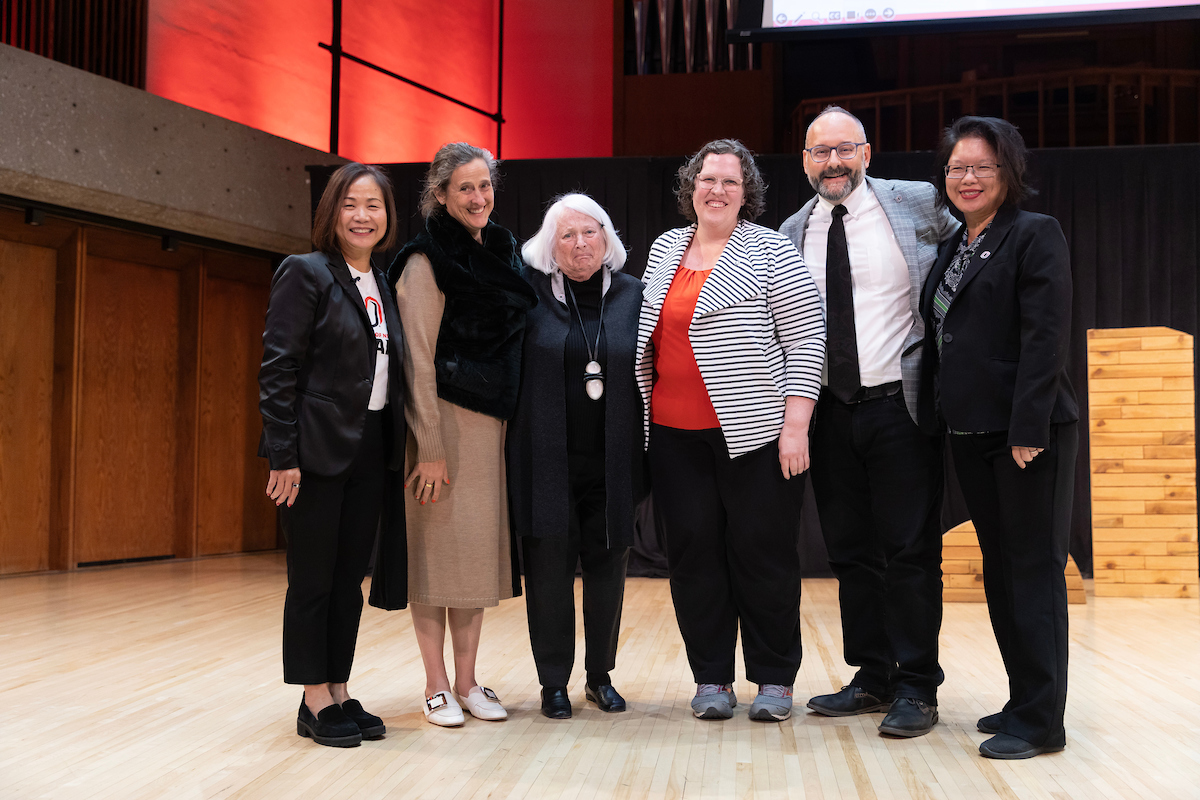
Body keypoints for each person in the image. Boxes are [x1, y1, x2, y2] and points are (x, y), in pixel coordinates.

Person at [779, 105, 958, 738]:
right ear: (805, 161)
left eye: (843, 149)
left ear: (867, 152)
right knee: (851, 554)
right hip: (828, 413)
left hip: (900, 406)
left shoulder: (918, 203)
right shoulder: (791, 229)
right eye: (819, 151)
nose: (832, 161)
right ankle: (873, 675)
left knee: (909, 552)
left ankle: (917, 685)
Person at [635, 139, 826, 723]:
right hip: (672, 435)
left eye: (730, 182)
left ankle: (773, 680)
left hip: (757, 434)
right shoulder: (666, 247)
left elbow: (805, 339)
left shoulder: (771, 250)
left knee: (762, 557)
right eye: (707, 180)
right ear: (690, 188)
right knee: (693, 559)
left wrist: (797, 426)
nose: (716, 190)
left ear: (747, 194)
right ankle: (711, 678)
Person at [921, 116, 1078, 760]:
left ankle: (1044, 721)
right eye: (957, 167)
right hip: (969, 431)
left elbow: (1045, 338)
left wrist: (1026, 428)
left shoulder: (1034, 234)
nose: (967, 177)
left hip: (1024, 435)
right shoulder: (957, 244)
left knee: (1033, 572)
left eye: (981, 166)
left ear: (1008, 173)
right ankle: (1022, 699)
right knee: (1002, 571)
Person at [388, 142, 537, 727]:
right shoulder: (425, 260)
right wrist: (429, 446)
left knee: (472, 560)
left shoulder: (502, 250)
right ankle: (435, 684)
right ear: (441, 195)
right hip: (441, 424)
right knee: (433, 559)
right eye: (465, 188)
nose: (478, 198)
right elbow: (417, 361)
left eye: (485, 186)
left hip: (489, 427)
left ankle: (470, 682)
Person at [258, 162, 406, 747]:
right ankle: (312, 696)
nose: (363, 216)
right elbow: (278, 369)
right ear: (331, 213)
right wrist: (282, 455)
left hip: (370, 447)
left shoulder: (382, 281)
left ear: (388, 217)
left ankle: (339, 686)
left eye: (374, 205)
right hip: (313, 453)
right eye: (351, 204)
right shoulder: (306, 272)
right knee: (313, 578)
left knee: (350, 579)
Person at [508, 193, 647, 719]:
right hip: (545, 463)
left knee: (608, 571)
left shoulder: (635, 295)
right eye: (566, 236)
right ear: (550, 247)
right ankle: (552, 683)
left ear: (607, 239)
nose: (580, 244)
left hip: (614, 464)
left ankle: (600, 676)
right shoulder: (529, 294)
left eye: (589, 232)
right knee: (547, 574)